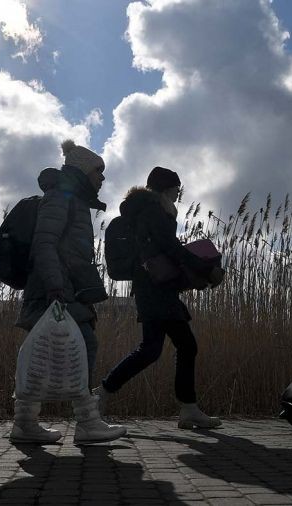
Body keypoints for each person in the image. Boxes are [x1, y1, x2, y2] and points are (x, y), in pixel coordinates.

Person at [11, 140, 126, 445]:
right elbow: (45, 243)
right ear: (83, 171)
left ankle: (24, 422)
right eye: (98, 172)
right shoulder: (60, 198)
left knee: (40, 353)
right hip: (56, 288)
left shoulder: (71, 199)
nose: (102, 179)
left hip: (59, 286)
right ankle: (87, 422)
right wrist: (55, 286)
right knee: (82, 343)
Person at [94, 167, 222, 429]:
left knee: (158, 349)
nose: (178, 194)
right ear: (165, 189)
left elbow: (163, 248)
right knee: (175, 347)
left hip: (153, 287)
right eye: (175, 189)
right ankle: (102, 393)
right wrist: (206, 268)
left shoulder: (144, 210)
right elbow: (170, 248)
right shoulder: (154, 210)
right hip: (155, 290)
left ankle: (186, 408)